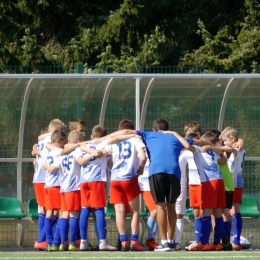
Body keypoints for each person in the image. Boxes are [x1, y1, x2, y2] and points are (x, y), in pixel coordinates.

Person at [94, 118, 194, 252]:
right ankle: (164, 241)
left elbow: (105, 153)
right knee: (164, 208)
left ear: (153, 129)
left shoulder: (145, 136)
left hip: (121, 178)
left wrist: (100, 140)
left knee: (129, 211)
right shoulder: (160, 138)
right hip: (148, 177)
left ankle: (126, 242)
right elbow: (192, 145)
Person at [77, 125, 126, 251]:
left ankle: (83, 241)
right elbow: (117, 137)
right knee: (99, 209)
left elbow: (80, 160)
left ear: (91, 136)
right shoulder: (104, 143)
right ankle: (103, 241)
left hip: (84, 181)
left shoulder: (84, 145)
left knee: (85, 210)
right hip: (96, 180)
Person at [102, 120, 147, 251]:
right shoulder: (136, 140)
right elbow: (143, 157)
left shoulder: (114, 142)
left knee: (119, 212)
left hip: (115, 181)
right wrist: (141, 168)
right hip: (130, 179)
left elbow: (103, 156)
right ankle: (134, 241)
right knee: (134, 212)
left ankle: (123, 243)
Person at [188, 132, 226, 251]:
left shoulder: (197, 149)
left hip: (209, 182)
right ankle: (217, 243)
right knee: (218, 213)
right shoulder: (214, 150)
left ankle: (203, 243)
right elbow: (222, 153)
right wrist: (211, 147)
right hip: (220, 181)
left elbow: (188, 145)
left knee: (207, 213)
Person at [32, 119, 66, 251]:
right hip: (45, 180)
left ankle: (46, 239)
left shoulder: (42, 140)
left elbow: (35, 149)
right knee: (50, 210)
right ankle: (44, 240)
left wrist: (36, 151)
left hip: (42, 180)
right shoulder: (49, 143)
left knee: (46, 210)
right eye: (62, 132)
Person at [40, 130, 67, 251]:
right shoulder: (59, 153)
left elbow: (44, 165)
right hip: (56, 185)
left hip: (48, 185)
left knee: (49, 213)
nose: (65, 146)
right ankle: (56, 242)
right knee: (61, 212)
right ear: (58, 141)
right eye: (64, 143)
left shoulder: (48, 152)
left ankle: (49, 242)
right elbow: (52, 169)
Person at [220, 127, 245, 251]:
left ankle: (236, 240)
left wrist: (240, 141)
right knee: (227, 212)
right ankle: (228, 239)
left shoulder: (237, 148)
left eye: (225, 141)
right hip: (229, 183)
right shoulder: (230, 151)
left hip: (235, 183)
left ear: (232, 139)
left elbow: (233, 148)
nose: (224, 143)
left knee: (234, 210)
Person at [138, 151, 158, 251]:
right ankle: (149, 238)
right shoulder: (140, 149)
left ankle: (152, 239)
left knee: (160, 213)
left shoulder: (155, 149)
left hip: (156, 186)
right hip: (146, 187)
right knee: (155, 211)